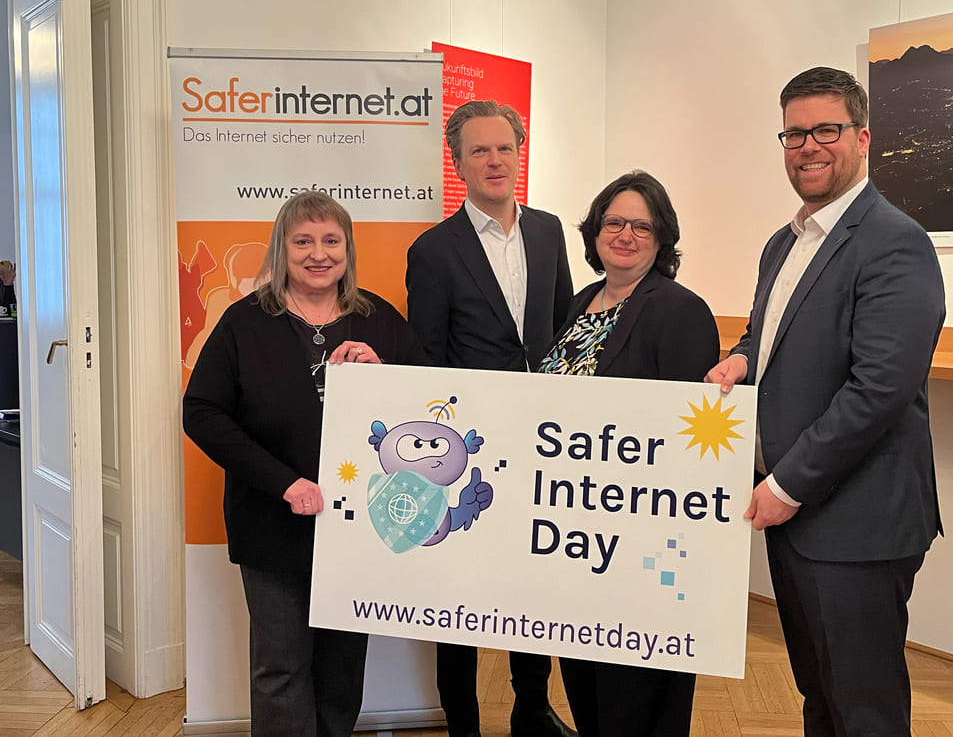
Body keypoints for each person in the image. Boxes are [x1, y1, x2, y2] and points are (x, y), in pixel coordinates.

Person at [705, 67, 945, 736]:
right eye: (794, 133)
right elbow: (768, 334)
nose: (808, 146)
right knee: (820, 694)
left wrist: (787, 483)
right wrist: (742, 358)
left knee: (864, 708)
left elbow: (881, 388)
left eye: (826, 130)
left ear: (862, 138)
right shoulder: (783, 243)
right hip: (798, 516)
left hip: (856, 522)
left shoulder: (895, 241)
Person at [183, 191, 429, 737]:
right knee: (280, 669)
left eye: (331, 240)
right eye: (303, 242)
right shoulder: (244, 322)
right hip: (272, 523)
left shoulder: (379, 321)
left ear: (348, 249)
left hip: (358, 527)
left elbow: (428, 410)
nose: (319, 254)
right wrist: (284, 483)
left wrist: (384, 374)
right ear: (281, 249)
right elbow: (201, 412)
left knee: (342, 668)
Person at [405, 100, 576, 737]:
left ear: (519, 153)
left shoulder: (550, 232)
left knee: (534, 581)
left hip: (542, 441)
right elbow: (426, 359)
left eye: (504, 148)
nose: (494, 160)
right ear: (458, 163)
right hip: (467, 450)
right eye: (479, 150)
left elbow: (565, 331)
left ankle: (533, 708)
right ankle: (464, 726)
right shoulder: (433, 250)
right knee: (459, 595)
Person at [540, 170, 719, 736]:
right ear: (594, 232)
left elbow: (688, 439)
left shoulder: (680, 310)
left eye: (641, 226)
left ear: (662, 237)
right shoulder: (580, 303)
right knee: (587, 684)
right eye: (614, 222)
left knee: (636, 698)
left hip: (643, 544)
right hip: (576, 532)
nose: (625, 235)